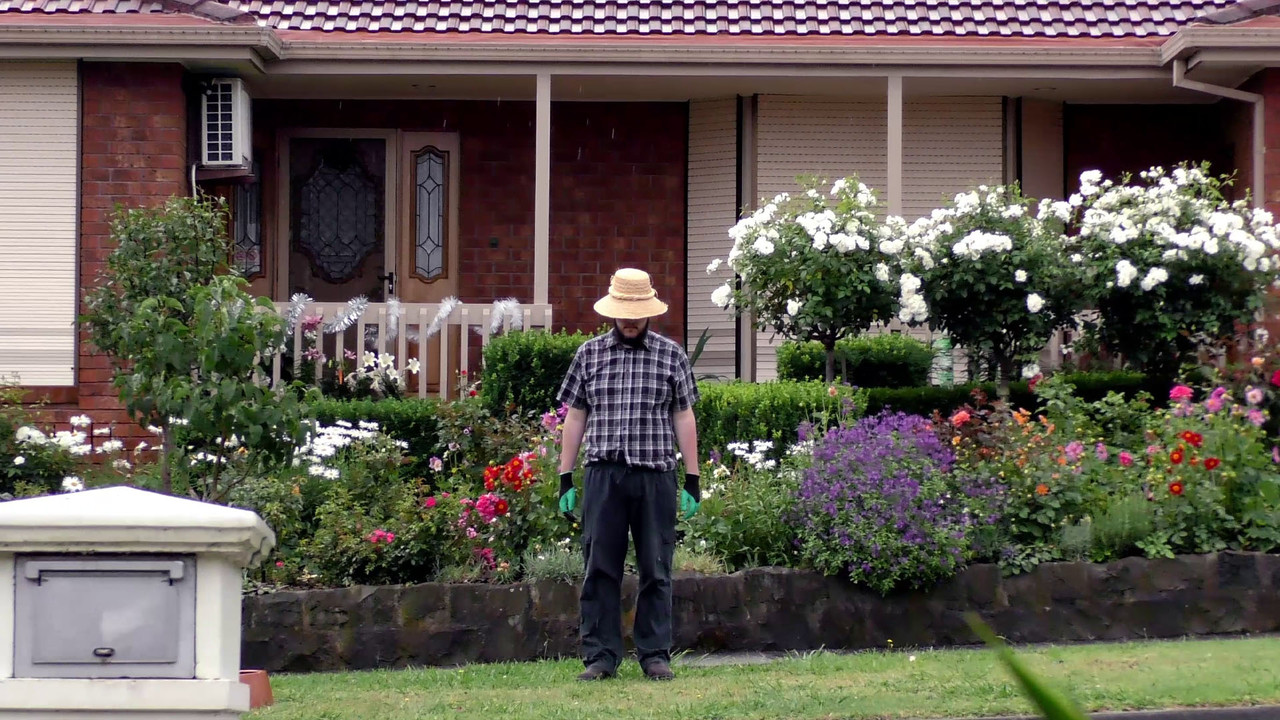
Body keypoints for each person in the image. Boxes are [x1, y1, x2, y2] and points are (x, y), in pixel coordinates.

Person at [555, 267, 701, 682]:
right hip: (604, 475)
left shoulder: (671, 355)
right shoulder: (589, 354)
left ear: (649, 312)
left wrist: (692, 478)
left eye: (637, 313)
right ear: (612, 313)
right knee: (600, 567)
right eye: (624, 313)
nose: (630, 320)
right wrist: (565, 475)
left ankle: (655, 654)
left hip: (655, 477)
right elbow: (576, 415)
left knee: (657, 567)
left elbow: (683, 414)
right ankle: (600, 657)